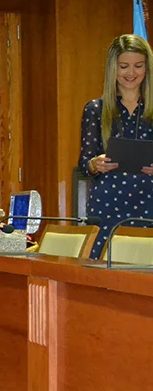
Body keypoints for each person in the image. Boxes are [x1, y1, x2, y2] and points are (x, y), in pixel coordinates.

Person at [79, 34, 153, 258]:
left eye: (138, 66)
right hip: (108, 203)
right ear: (113, 68)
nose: (131, 73)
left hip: (149, 201)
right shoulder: (95, 109)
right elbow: (84, 164)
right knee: (104, 272)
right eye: (124, 66)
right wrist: (95, 164)